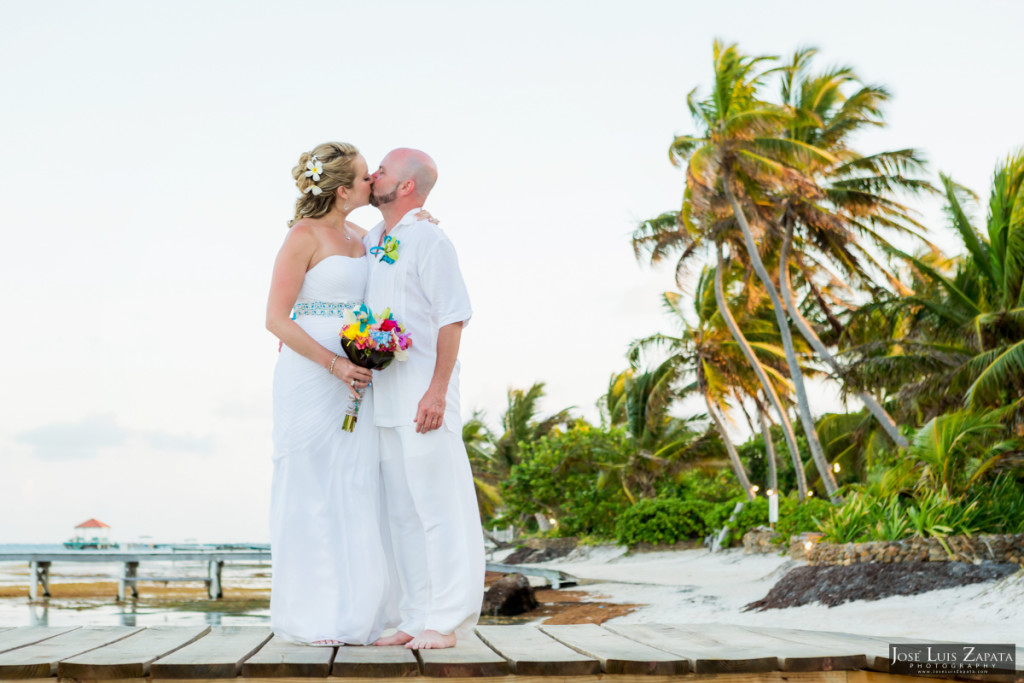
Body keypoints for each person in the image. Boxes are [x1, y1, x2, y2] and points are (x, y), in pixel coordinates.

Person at [265, 141, 395, 646]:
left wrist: (422, 225)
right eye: (366, 177)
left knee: (356, 484)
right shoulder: (303, 236)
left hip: (358, 373)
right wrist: (334, 364)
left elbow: (397, 261)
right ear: (344, 190)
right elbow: (275, 318)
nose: (374, 182)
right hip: (311, 373)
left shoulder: (365, 236)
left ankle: (355, 614)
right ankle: (311, 616)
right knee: (310, 486)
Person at [364, 149, 485, 650]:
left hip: (423, 396)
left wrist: (437, 390)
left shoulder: (431, 239)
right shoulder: (378, 239)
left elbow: (451, 316)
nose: (373, 176)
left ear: (407, 186)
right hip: (384, 397)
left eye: (383, 171)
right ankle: (415, 615)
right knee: (402, 515)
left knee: (439, 508)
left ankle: (448, 619)